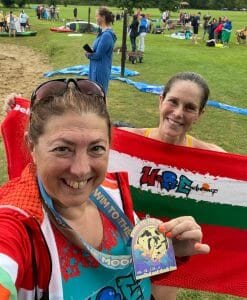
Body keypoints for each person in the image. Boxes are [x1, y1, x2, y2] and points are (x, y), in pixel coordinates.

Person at [0, 78, 210, 299]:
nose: (81, 170)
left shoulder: (112, 192)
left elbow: (136, 273)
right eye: (63, 149)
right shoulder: (19, 224)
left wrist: (168, 251)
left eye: (96, 148)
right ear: (32, 147)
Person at [122, 72, 225, 152]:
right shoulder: (123, 141)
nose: (178, 113)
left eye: (190, 108)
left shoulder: (211, 158)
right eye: (173, 102)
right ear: (161, 101)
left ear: (199, 114)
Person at [84, 6, 116, 95]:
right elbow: (98, 51)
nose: (96, 18)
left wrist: (87, 54)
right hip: (95, 68)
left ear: (103, 17)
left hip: (100, 71)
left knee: (98, 96)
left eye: (97, 15)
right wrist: (91, 50)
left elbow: (98, 55)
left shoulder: (107, 35)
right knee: (93, 97)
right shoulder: (103, 33)